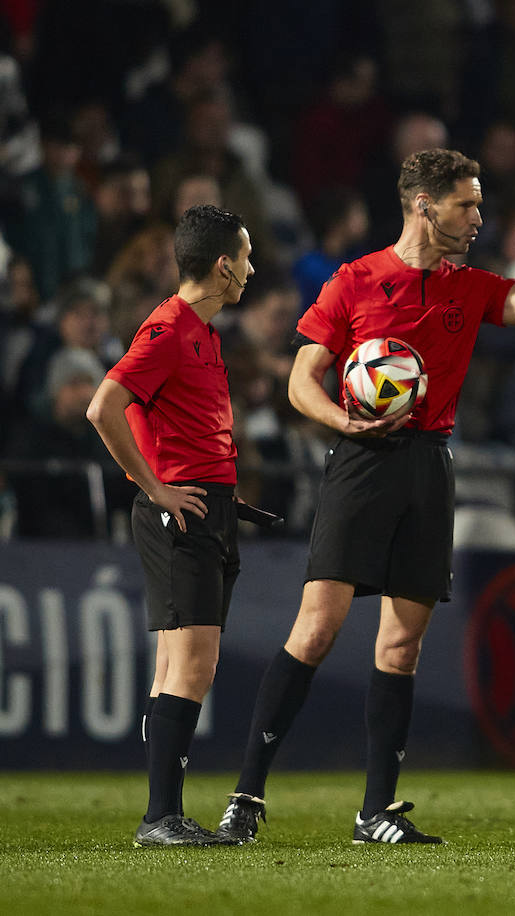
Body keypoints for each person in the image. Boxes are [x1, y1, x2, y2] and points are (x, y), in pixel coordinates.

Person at [217, 148, 515, 845]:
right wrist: (344, 420)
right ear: (425, 206)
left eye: (478, 205)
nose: (478, 218)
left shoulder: (468, 286)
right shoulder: (355, 281)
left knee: (402, 645)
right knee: (318, 627)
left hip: (429, 464)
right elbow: (303, 379)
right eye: (467, 205)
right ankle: (246, 797)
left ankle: (375, 813)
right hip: (361, 461)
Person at [85, 204, 255, 846]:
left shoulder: (202, 331)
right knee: (193, 663)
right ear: (221, 265)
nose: (251, 268)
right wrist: (156, 487)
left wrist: (215, 489)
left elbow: (166, 423)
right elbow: (105, 407)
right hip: (178, 514)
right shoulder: (167, 329)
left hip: (204, 505)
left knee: (173, 666)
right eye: (244, 255)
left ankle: (164, 813)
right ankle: (161, 818)